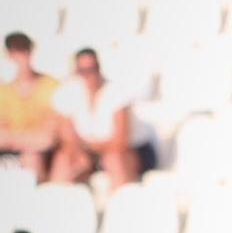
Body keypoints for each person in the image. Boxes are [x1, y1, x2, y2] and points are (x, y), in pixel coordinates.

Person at [50, 49, 155, 188]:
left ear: (99, 68)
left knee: (114, 160)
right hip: (91, 153)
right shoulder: (69, 93)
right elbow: (67, 138)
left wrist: (89, 147)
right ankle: (56, 201)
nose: (89, 75)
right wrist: (82, 153)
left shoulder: (116, 92)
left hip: (129, 152)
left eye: (93, 69)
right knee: (64, 160)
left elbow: (120, 141)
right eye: (83, 70)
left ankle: (121, 205)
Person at [0, 32, 59, 180]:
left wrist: (13, 139)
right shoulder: (4, 92)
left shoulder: (51, 86)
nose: (21, 58)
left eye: (24, 51)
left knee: (32, 158)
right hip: (10, 155)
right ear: (9, 56)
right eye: (16, 52)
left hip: (41, 157)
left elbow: (48, 139)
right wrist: (28, 139)